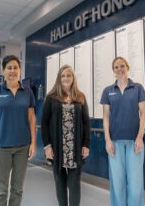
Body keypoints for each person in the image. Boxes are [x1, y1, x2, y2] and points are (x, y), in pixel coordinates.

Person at [0, 55, 36, 206]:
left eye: (15, 67)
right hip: (1, 146)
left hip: (23, 146)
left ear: (20, 70)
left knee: (17, 189)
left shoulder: (27, 92)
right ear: (3, 70)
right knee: (1, 190)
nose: (12, 71)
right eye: (9, 68)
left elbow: (32, 118)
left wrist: (33, 143)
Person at [100, 56, 145, 206]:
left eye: (122, 66)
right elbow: (106, 117)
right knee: (117, 182)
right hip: (115, 142)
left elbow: (144, 114)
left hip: (135, 142)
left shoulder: (138, 88)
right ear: (113, 70)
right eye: (116, 67)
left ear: (128, 67)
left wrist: (140, 137)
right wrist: (107, 140)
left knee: (135, 183)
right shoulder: (108, 91)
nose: (119, 69)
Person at [41, 64, 91, 206]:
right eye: (63, 75)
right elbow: (44, 122)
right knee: (59, 183)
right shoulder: (51, 98)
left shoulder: (80, 97)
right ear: (59, 78)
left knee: (74, 185)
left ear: (73, 78)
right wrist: (47, 146)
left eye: (68, 75)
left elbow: (86, 122)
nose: (66, 78)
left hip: (75, 148)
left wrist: (86, 144)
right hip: (57, 148)